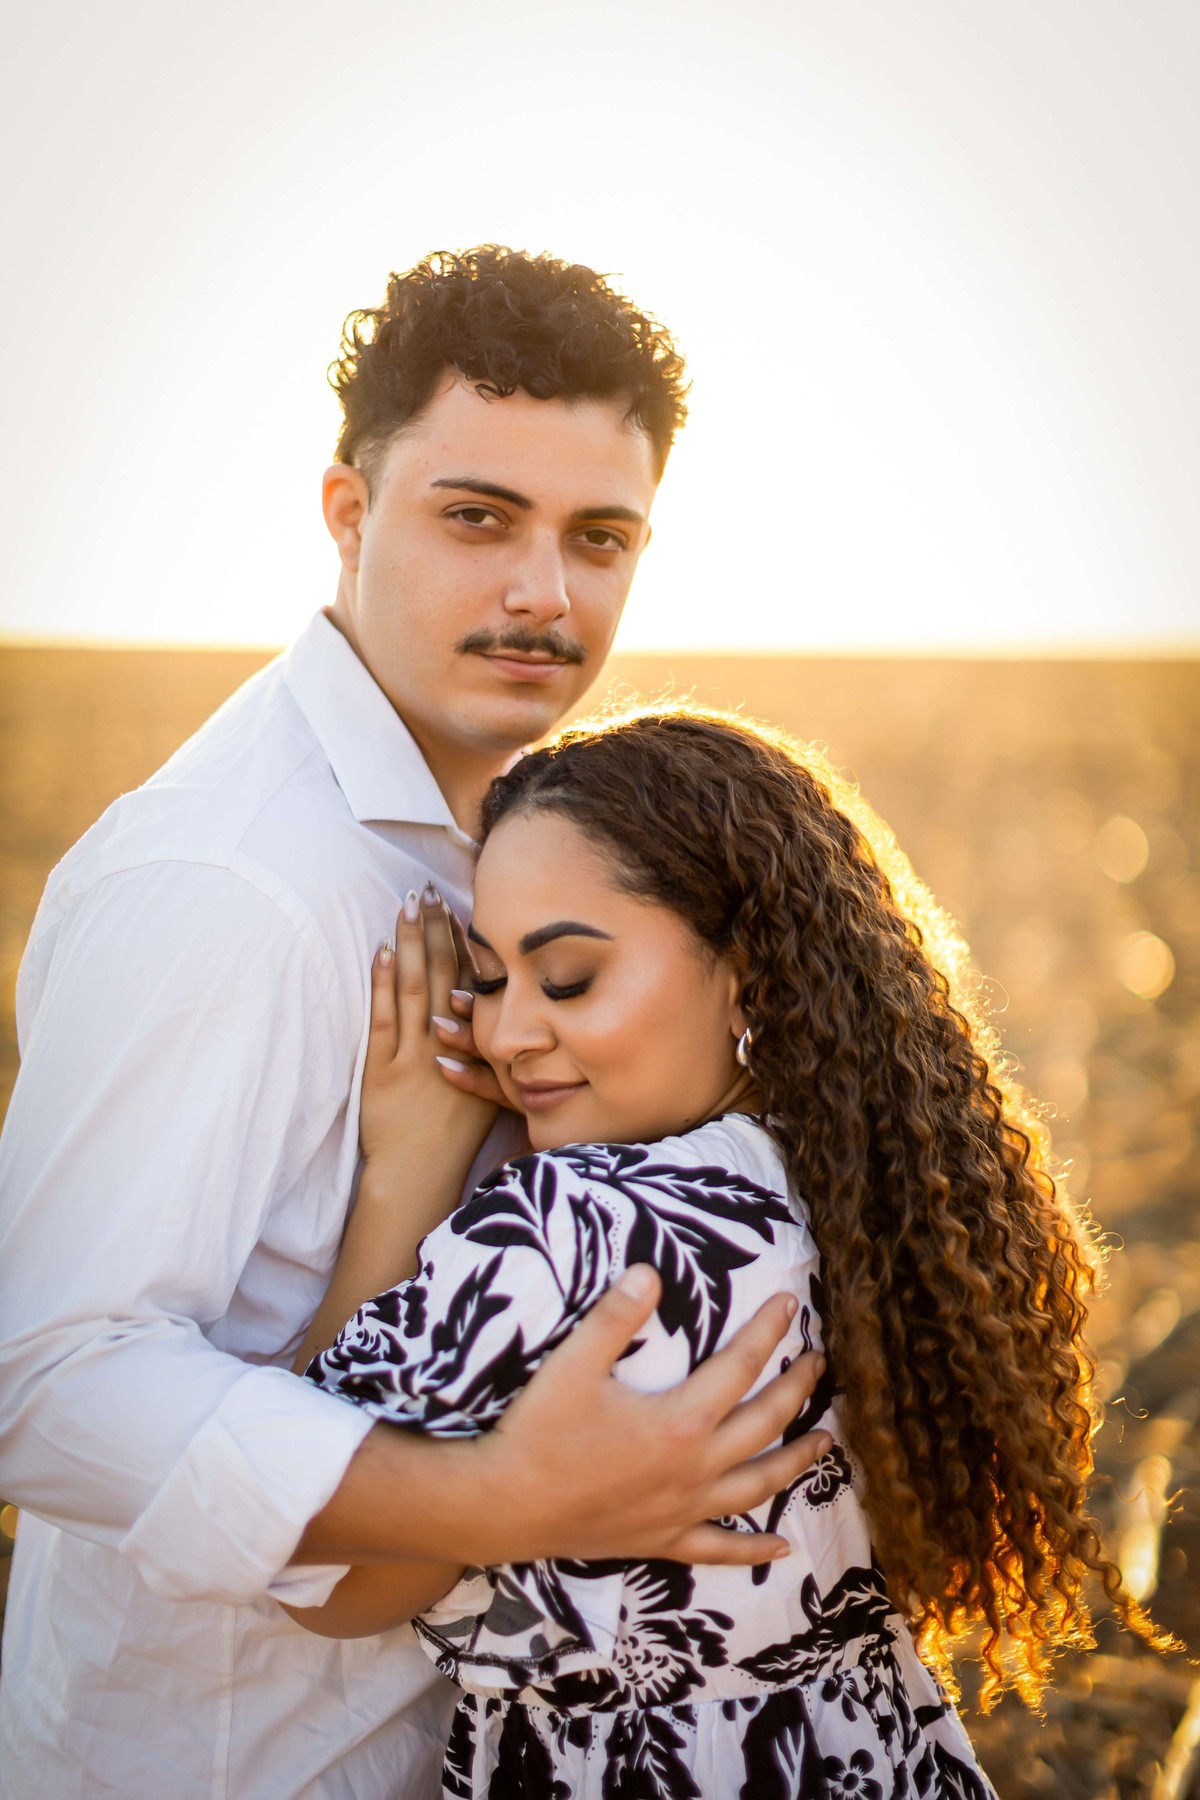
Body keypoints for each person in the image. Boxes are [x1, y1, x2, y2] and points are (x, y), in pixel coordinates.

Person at [0, 251, 826, 1799]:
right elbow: (47, 1381)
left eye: (599, 538)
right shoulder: (230, 882)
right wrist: (502, 1498)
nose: (544, 594)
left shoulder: (532, 840)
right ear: (348, 511)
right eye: (478, 518)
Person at [284, 708, 1163, 1798]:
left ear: (746, 970)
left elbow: (322, 1567)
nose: (507, 1036)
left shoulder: (571, 1228)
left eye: (567, 979)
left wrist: (408, 1165)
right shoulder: (881, 1187)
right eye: (491, 979)